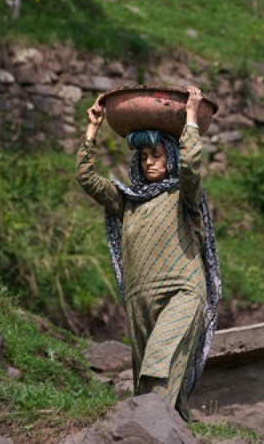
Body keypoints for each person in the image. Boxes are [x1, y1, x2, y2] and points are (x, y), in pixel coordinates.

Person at [76, 86, 221, 420]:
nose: (149, 161)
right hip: (140, 300)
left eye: (156, 154)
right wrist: (93, 128)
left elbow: (190, 167)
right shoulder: (126, 202)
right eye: (143, 156)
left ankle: (147, 430)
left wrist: (189, 118)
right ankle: (172, 429)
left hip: (182, 292)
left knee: (160, 360)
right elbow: (85, 177)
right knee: (151, 382)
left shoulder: (184, 196)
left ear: (170, 155)